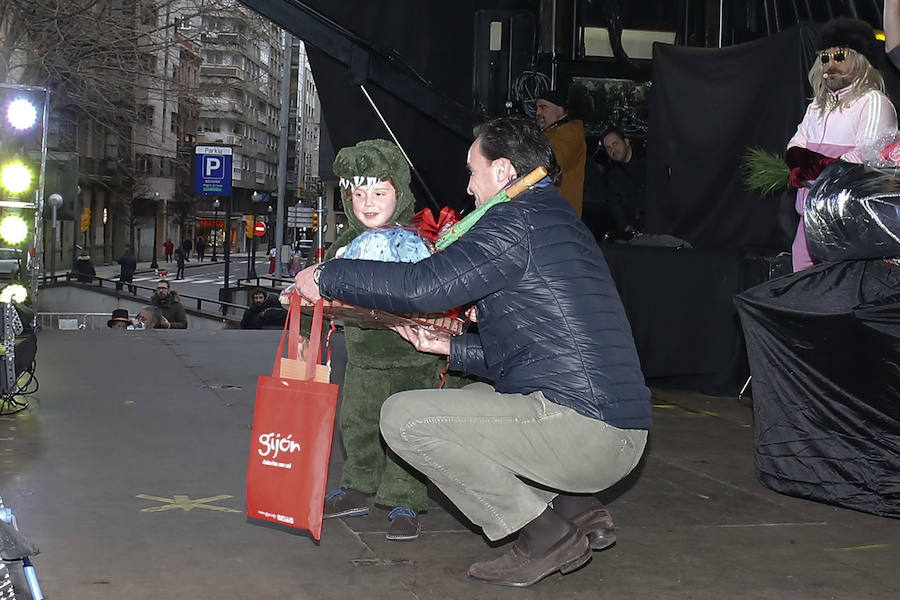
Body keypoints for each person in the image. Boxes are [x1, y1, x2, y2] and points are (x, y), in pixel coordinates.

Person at [295, 117, 650, 586]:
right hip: (610, 427)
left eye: (472, 171)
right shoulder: (555, 219)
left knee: (403, 418)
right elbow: (530, 353)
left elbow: (423, 287)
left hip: (587, 430)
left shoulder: (514, 220)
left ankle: (545, 535)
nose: (468, 186)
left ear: (502, 172)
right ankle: (575, 506)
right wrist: (451, 347)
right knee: (472, 406)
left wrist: (328, 276)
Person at [305, 139, 467, 542]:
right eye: (358, 193)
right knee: (358, 423)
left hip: (415, 358)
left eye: (380, 192)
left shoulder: (419, 244)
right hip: (363, 358)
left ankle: (405, 498)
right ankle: (359, 485)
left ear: (401, 193)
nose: (368, 202)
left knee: (406, 432)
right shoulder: (344, 246)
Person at [786, 17, 897, 271]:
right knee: (800, 286)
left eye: (840, 57)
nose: (831, 65)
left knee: (840, 293)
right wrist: (798, 160)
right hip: (809, 217)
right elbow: (795, 143)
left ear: (859, 60)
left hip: (849, 221)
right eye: (825, 58)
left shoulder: (873, 102)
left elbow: (872, 157)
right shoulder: (816, 106)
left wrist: (819, 168)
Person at [536, 89, 586, 217]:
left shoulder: (571, 133)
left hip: (561, 214)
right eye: (537, 108)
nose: (538, 112)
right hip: (549, 211)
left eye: (543, 107)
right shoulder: (548, 133)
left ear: (560, 109)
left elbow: (551, 163)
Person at [602, 126, 647, 235]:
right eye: (608, 147)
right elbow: (614, 203)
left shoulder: (647, 164)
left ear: (626, 141)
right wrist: (625, 227)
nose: (613, 150)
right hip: (635, 235)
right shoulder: (613, 175)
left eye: (615, 144)